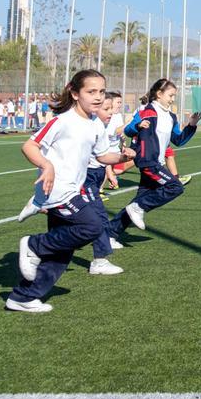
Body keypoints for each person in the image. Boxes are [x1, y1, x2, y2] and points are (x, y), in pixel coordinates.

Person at [7, 69, 126, 312]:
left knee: (62, 251)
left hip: (72, 190)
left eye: (101, 92)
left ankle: (24, 297)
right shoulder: (62, 121)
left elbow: (104, 155)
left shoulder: (95, 125)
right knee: (92, 226)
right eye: (91, 91)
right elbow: (29, 146)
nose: (98, 97)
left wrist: (124, 155)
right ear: (74, 93)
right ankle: (33, 245)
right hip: (57, 191)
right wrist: (46, 165)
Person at [108, 78, 199, 236]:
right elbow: (129, 130)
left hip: (157, 162)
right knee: (175, 187)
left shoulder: (171, 117)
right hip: (148, 161)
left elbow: (179, 140)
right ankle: (138, 207)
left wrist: (191, 125)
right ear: (159, 94)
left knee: (138, 201)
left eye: (174, 96)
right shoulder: (147, 111)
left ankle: (109, 234)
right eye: (170, 95)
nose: (172, 99)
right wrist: (138, 125)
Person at [81, 91, 133, 273]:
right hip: (84, 178)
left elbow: (103, 157)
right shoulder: (89, 126)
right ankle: (99, 261)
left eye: (112, 107)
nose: (111, 112)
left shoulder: (101, 127)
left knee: (69, 220)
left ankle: (42, 249)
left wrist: (112, 169)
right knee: (99, 217)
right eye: (107, 108)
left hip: (95, 175)